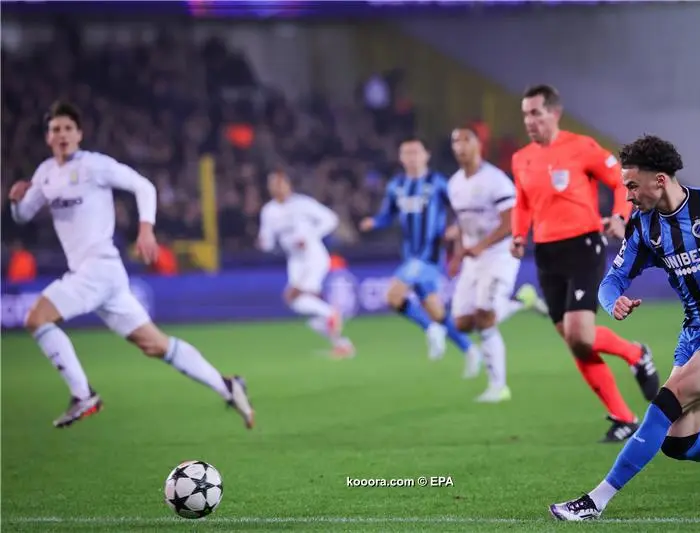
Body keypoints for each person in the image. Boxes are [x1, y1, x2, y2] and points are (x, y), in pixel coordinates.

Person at [549, 135, 700, 520]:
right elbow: (611, 282)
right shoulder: (644, 226)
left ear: (659, 180)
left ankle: (596, 501)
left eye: (631, 185)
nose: (627, 194)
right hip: (695, 333)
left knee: (666, 400)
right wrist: (614, 303)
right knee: (678, 442)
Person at [8, 101, 255, 429]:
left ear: (80, 134)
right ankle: (227, 386)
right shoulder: (45, 174)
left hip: (97, 268)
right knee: (155, 344)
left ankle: (83, 395)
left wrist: (146, 228)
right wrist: (15, 201)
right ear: (48, 137)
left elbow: (144, 186)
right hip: (102, 275)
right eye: (56, 129)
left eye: (68, 128)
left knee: (36, 318)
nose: (62, 134)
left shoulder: (95, 166)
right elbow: (24, 215)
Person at [511, 84, 660, 442]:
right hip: (546, 254)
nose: (529, 121)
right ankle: (623, 415)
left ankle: (635, 353)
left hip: (583, 247)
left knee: (580, 334)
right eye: (525, 114)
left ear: (554, 113)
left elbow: (621, 181)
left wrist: (620, 216)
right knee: (575, 341)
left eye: (536, 113)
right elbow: (523, 202)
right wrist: (519, 235)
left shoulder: (582, 147)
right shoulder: (522, 158)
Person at [359, 137, 483, 376]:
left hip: (429, 256)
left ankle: (430, 330)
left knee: (392, 296)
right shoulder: (396, 186)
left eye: (415, 152)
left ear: (426, 155)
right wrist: (374, 221)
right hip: (409, 256)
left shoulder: (437, 183)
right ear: (400, 158)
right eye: (406, 153)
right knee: (437, 312)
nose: (411, 158)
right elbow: (388, 215)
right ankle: (470, 349)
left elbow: (461, 208)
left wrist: (457, 228)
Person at [447, 127, 548, 402]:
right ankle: (522, 302)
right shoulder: (454, 183)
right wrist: (457, 255)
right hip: (473, 258)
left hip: (499, 255)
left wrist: (482, 245)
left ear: (478, 146)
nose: (460, 147)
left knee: (485, 319)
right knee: (462, 323)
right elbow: (461, 224)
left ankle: (498, 387)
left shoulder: (495, 181)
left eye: (466, 140)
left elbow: (511, 220)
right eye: (455, 142)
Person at [257, 170, 354, 358]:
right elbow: (268, 241)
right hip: (294, 260)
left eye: (280, 183)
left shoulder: (302, 204)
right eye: (273, 184)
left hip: (313, 256)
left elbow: (331, 219)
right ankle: (339, 339)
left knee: (295, 296)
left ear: (288, 185)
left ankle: (330, 314)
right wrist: (264, 243)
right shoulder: (268, 211)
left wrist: (310, 236)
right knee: (295, 302)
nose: (277, 188)